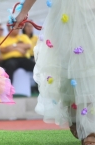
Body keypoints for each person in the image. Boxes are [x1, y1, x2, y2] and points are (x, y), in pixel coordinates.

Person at [14, 0, 95, 144]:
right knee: (66, 68)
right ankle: (75, 115)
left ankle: (90, 130)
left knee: (89, 68)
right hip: (63, 17)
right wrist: (23, 12)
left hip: (90, 12)